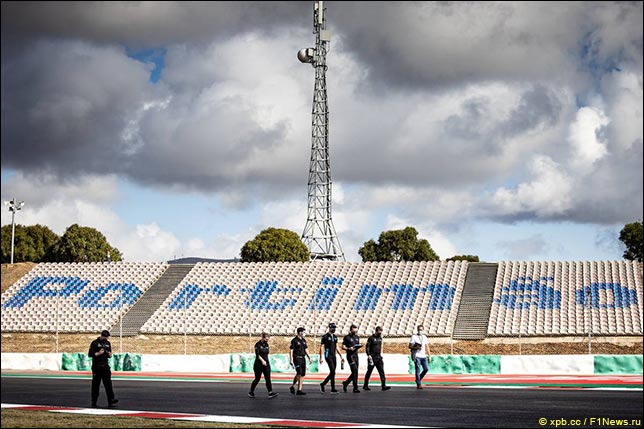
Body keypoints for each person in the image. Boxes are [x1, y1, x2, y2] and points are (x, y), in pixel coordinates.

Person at [88, 330, 119, 408]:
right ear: (101, 336)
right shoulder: (95, 343)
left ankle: (111, 400)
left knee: (108, 384)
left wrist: (109, 354)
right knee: (96, 385)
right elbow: (90, 354)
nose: (106, 339)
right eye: (105, 337)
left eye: (107, 337)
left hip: (105, 366)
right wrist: (98, 353)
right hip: (97, 367)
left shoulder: (108, 343)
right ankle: (94, 401)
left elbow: (110, 354)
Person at [248, 332, 279, 399]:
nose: (267, 339)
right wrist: (262, 361)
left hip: (266, 364)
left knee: (268, 378)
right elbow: (257, 355)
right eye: (266, 338)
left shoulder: (266, 344)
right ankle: (251, 391)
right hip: (258, 364)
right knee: (257, 378)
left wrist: (266, 361)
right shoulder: (257, 344)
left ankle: (270, 392)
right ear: (263, 337)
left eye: (268, 338)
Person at [363, 326, 391, 391]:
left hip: (378, 357)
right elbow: (367, 347)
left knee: (381, 371)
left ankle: (383, 385)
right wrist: (368, 354)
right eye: (379, 331)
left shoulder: (380, 338)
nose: (380, 333)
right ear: (376, 331)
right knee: (369, 371)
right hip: (372, 357)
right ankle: (365, 385)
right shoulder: (371, 338)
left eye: (381, 331)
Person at [319, 322, 344, 394]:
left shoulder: (335, 337)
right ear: (329, 328)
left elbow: (337, 347)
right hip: (328, 355)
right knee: (332, 371)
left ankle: (324, 384)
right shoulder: (325, 336)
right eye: (333, 328)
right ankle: (332, 388)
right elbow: (321, 347)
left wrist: (341, 356)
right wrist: (321, 357)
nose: (334, 329)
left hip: (334, 355)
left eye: (335, 328)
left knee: (333, 372)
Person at [289, 327, 310, 396]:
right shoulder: (294, 340)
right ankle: (296, 387)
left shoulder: (303, 340)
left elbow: (306, 349)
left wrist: (309, 357)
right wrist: (291, 359)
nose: (304, 333)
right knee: (299, 373)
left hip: (303, 358)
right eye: (303, 332)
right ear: (300, 332)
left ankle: (297, 388)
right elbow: (291, 350)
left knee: (302, 374)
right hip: (297, 358)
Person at [409, 324, 431, 389]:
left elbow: (427, 346)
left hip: (423, 356)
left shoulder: (424, 337)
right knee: (417, 369)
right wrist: (416, 347)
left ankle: (418, 379)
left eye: (421, 330)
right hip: (417, 355)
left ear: (423, 330)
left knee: (426, 369)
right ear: (417, 330)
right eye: (419, 330)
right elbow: (409, 346)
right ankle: (419, 384)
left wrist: (429, 355)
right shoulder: (414, 337)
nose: (420, 331)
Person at [341, 324, 362, 393]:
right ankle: (355, 388)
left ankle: (346, 383)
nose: (355, 330)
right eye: (354, 329)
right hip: (350, 356)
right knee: (355, 371)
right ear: (351, 329)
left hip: (356, 355)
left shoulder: (357, 337)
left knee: (355, 372)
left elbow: (357, 345)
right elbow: (343, 347)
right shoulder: (347, 337)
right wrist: (349, 348)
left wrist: (358, 346)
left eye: (356, 329)